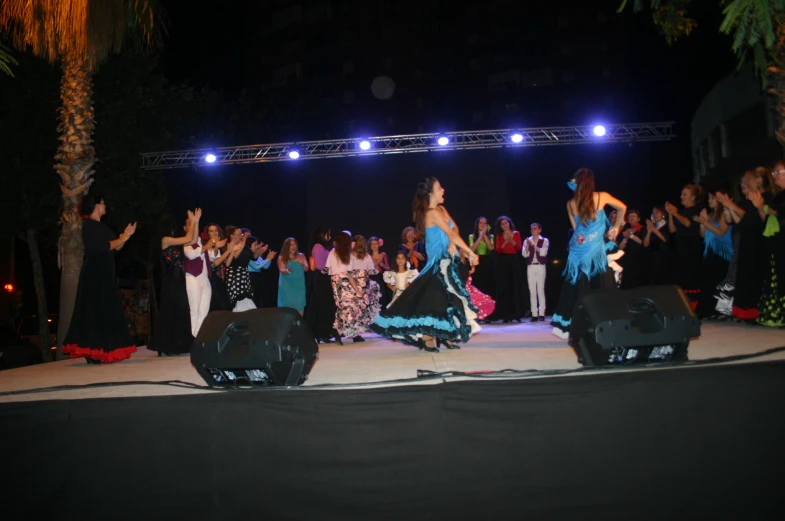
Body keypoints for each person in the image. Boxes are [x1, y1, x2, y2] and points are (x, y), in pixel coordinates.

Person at [371, 177, 480, 352]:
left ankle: (443, 335)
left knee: (448, 299)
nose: (443, 190)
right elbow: (451, 234)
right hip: (436, 264)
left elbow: (455, 231)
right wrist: (470, 251)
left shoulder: (441, 209)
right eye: (439, 188)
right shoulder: (431, 213)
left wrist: (454, 245)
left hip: (448, 261)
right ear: (431, 193)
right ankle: (428, 336)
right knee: (431, 301)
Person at [551, 168, 626, 342]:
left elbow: (576, 230)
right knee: (601, 287)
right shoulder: (601, 197)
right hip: (595, 252)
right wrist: (615, 228)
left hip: (578, 253)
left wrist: (612, 230)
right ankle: (603, 324)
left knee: (577, 291)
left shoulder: (570, 203)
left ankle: (577, 327)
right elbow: (622, 208)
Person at [63, 195, 138, 364]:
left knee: (104, 309)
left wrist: (126, 235)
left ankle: (101, 350)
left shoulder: (99, 227)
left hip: (105, 272)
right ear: (96, 207)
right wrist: (123, 238)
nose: (105, 205)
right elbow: (105, 246)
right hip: (95, 273)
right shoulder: (89, 226)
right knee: (95, 310)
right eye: (102, 203)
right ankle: (94, 352)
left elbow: (115, 247)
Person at [148, 210, 200, 356]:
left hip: (179, 279)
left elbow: (193, 240)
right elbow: (189, 237)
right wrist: (192, 221)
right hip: (170, 280)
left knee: (182, 309)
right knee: (173, 309)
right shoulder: (165, 240)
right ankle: (169, 344)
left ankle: (180, 343)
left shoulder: (174, 241)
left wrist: (196, 222)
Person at [522, 222, 549, 322]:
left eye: (535, 228)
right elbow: (524, 255)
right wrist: (528, 247)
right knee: (532, 291)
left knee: (540, 290)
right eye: (532, 229)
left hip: (540, 266)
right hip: (531, 267)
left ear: (539, 230)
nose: (533, 230)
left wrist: (534, 246)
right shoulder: (527, 241)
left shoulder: (544, 240)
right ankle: (534, 314)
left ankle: (541, 313)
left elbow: (543, 253)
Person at [277, 237, 309, 315]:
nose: (294, 246)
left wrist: (302, 264)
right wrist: (287, 270)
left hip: (299, 289)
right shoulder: (282, 257)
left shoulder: (301, 256)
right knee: (286, 315)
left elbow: (307, 268)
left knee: (299, 312)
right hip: (287, 289)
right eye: (291, 245)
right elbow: (281, 270)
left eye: (295, 244)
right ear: (287, 246)